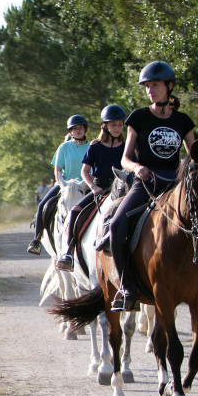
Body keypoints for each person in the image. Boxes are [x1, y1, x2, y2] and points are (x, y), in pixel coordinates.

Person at [108, 61, 198, 313]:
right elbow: (124, 158)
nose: (150, 90)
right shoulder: (138, 117)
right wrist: (136, 168)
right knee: (117, 225)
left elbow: (195, 157)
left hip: (177, 185)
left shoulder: (183, 121)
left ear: (169, 86)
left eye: (155, 85)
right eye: (147, 86)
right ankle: (127, 288)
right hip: (146, 184)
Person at [55, 104, 126, 271]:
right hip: (99, 188)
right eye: (113, 124)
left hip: (122, 190)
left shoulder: (126, 145)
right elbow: (84, 171)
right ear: (105, 126)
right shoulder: (95, 145)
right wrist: (93, 187)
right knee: (74, 211)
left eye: (120, 124)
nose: (117, 128)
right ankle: (69, 253)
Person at [28, 115, 90, 255]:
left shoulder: (91, 146)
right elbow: (57, 170)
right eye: (75, 129)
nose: (78, 131)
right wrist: (63, 186)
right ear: (70, 131)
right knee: (44, 204)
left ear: (84, 129)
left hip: (85, 184)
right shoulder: (63, 147)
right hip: (65, 184)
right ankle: (36, 240)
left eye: (80, 128)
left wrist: (85, 185)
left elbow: (93, 169)